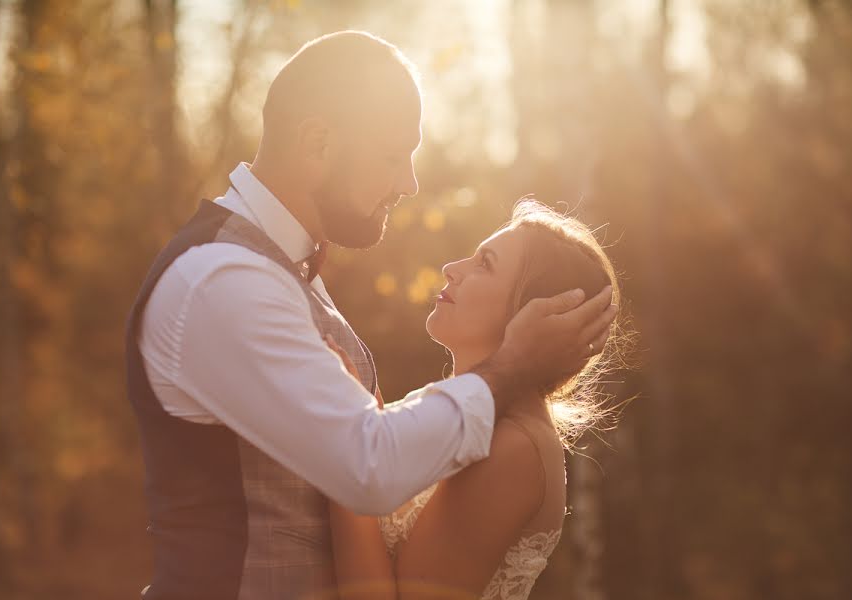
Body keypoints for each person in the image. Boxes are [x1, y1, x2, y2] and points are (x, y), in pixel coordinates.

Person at [125, 31, 617, 600]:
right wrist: (508, 369)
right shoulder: (223, 279)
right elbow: (368, 465)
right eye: (392, 154)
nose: (408, 183)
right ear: (318, 143)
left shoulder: (286, 274)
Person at [326, 199, 622, 600]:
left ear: (529, 315)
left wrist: (344, 442)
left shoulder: (516, 445)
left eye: (485, 263)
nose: (453, 268)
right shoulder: (462, 414)